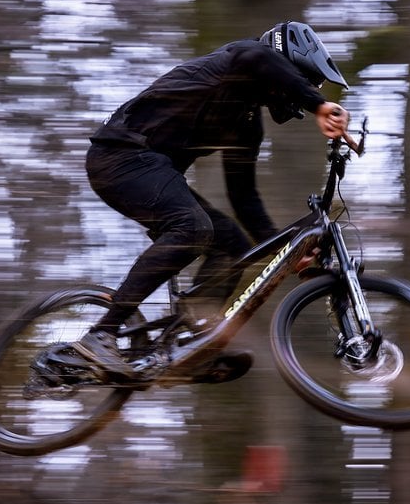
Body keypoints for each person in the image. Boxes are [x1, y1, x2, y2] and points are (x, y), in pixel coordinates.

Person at [72, 21, 353, 378]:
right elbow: (257, 57)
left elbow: (244, 195)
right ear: (285, 65)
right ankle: (102, 334)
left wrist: (289, 251)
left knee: (231, 243)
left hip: (150, 172)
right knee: (193, 227)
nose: (301, 93)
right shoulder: (236, 61)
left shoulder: (246, 123)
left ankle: (189, 341)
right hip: (120, 158)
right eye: (303, 82)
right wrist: (317, 104)